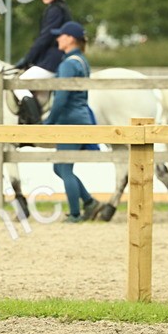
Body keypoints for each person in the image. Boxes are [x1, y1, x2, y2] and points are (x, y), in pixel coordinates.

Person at [44, 21, 101, 223]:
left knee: (64, 168)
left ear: (70, 39)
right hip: (81, 118)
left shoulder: (68, 64)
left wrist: (49, 121)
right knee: (60, 167)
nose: (58, 38)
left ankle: (76, 214)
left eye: (61, 35)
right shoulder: (82, 61)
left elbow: (61, 97)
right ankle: (89, 202)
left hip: (69, 121)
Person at [15, 0, 71, 125]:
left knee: (18, 84)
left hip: (52, 60)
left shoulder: (55, 10)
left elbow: (44, 38)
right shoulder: (58, 8)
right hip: (50, 58)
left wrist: (28, 59)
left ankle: (36, 123)